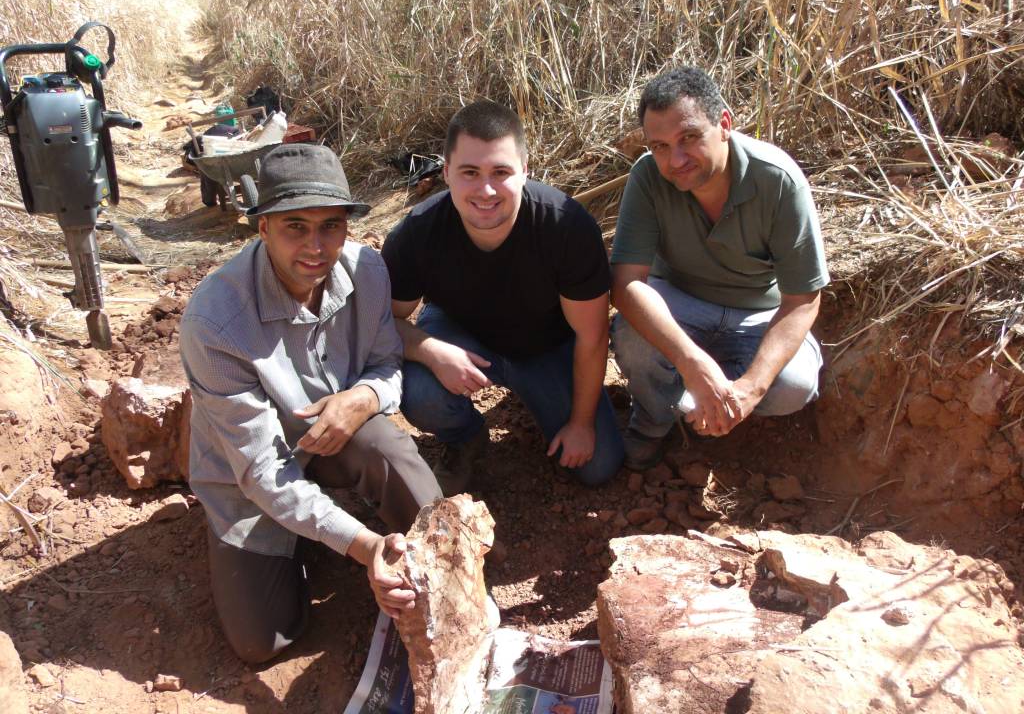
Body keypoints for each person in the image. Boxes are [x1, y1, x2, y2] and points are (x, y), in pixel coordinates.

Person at [179, 144, 441, 664]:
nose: (316, 247)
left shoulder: (367, 269)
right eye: (295, 226)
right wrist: (365, 547)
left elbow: (387, 365)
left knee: (383, 441)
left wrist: (360, 398)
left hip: (336, 441)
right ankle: (315, 540)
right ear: (263, 228)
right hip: (251, 477)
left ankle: (443, 554)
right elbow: (261, 471)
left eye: (331, 226)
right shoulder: (215, 323)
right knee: (264, 642)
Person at [381, 101, 624, 493]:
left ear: (526, 171)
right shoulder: (417, 234)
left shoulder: (566, 227)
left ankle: (554, 402)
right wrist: (432, 351)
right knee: (420, 393)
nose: (486, 190)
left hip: (548, 347)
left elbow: (592, 335)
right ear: (446, 173)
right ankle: (464, 436)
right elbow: (384, 321)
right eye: (470, 173)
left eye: (501, 172)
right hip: (463, 335)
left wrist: (580, 424)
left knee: (599, 466)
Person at [610, 66, 829, 470]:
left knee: (794, 385)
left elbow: (801, 299)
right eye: (659, 146)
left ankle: (716, 406)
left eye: (689, 138)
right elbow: (627, 285)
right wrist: (692, 362)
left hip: (757, 313)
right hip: (680, 300)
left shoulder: (778, 179)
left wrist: (750, 388)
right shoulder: (647, 176)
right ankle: (656, 419)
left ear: (724, 124)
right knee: (632, 338)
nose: (675, 160)